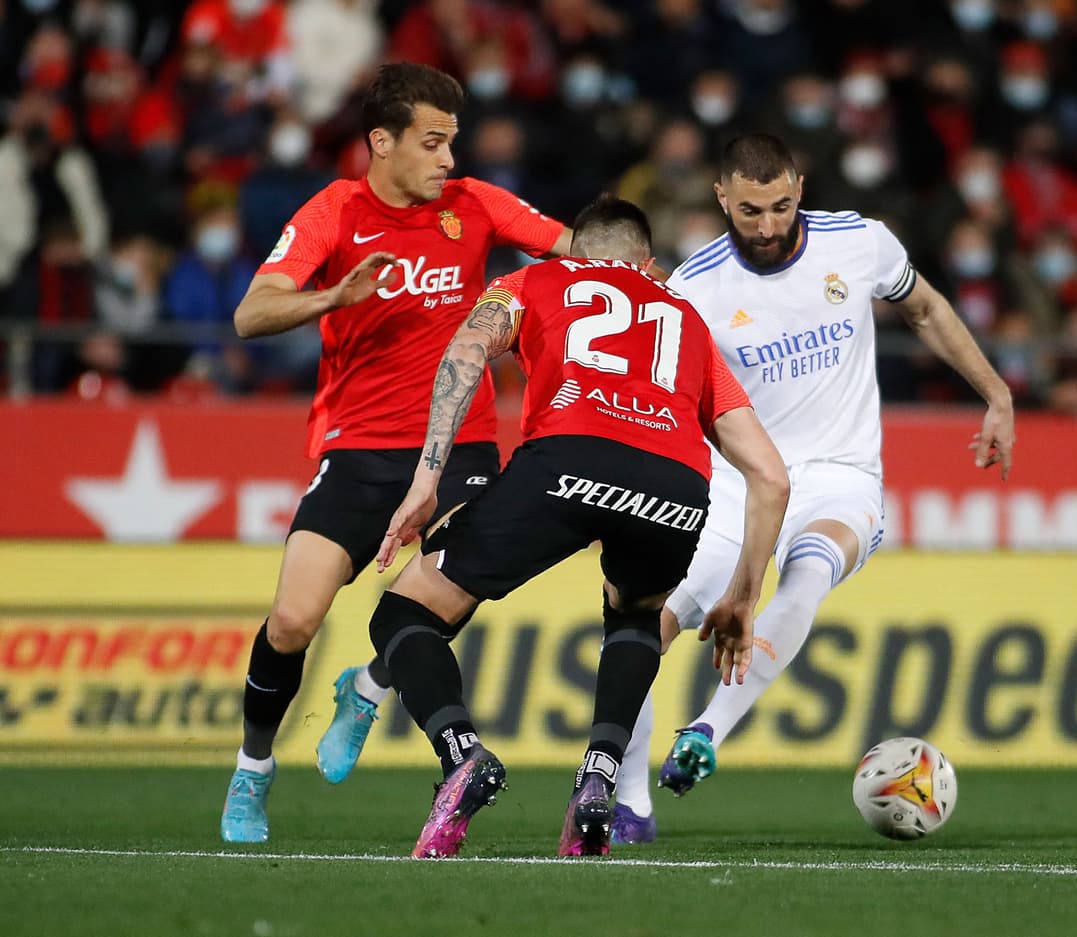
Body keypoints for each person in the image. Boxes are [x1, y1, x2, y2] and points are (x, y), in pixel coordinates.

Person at [608, 133, 1016, 845]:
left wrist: (996, 393)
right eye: (750, 211)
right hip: (735, 487)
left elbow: (925, 309)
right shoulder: (693, 288)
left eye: (781, 205)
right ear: (721, 198)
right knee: (646, 626)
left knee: (810, 569)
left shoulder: (859, 243)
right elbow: (655, 394)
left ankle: (709, 728)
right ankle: (633, 799)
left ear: (800, 185)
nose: (767, 225)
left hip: (842, 474)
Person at [365, 195, 789, 858]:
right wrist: (743, 593)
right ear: (648, 265)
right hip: (676, 485)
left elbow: (469, 346)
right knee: (634, 617)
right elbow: (771, 475)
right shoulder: (687, 320)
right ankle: (601, 777)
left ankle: (461, 756)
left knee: (402, 616)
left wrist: (427, 477)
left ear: (572, 252)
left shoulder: (532, 279)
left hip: (568, 458)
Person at [219, 61, 572, 843]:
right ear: (382, 142)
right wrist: (334, 297)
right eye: (433, 142)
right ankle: (253, 769)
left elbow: (577, 249)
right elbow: (251, 314)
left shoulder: (474, 204)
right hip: (360, 447)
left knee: (441, 597)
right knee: (291, 620)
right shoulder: (335, 212)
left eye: (453, 142)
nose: (449, 159)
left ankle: (371, 684)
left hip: (462, 445)